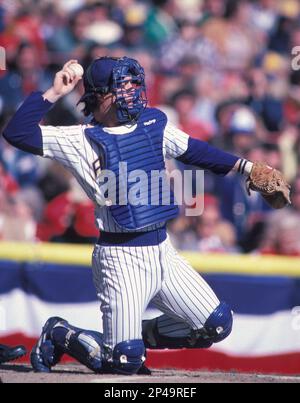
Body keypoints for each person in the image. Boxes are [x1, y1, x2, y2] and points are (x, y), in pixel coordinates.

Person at [2, 56, 290, 375]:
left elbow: (195, 150)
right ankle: (62, 333)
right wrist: (55, 91)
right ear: (101, 94)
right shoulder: (78, 139)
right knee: (123, 366)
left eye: (133, 83)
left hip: (162, 250)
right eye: (123, 85)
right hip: (120, 256)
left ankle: (128, 342)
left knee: (216, 325)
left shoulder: (152, 122)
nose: (133, 90)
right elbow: (17, 133)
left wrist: (248, 168)